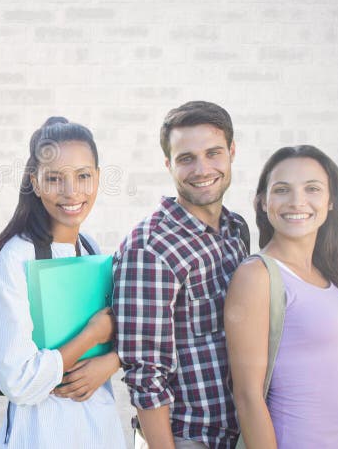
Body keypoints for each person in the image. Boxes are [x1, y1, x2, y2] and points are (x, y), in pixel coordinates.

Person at [225, 145, 338, 448]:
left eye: (312, 188)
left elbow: (335, 396)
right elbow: (248, 398)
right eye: (282, 190)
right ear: (262, 202)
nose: (297, 201)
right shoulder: (257, 275)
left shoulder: (332, 274)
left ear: (331, 200)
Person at [114, 101, 248, 449]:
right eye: (186, 158)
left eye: (213, 153)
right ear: (168, 164)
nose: (202, 169)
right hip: (187, 439)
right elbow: (146, 376)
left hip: (242, 433)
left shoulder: (236, 230)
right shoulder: (151, 249)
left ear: (232, 152)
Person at [0, 116, 123, 449]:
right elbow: (17, 381)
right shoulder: (17, 257)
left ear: (98, 178)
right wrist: (92, 334)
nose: (71, 192)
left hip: (99, 429)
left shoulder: (90, 248)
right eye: (55, 179)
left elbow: (121, 338)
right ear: (34, 182)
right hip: (41, 434)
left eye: (83, 176)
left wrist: (111, 361)